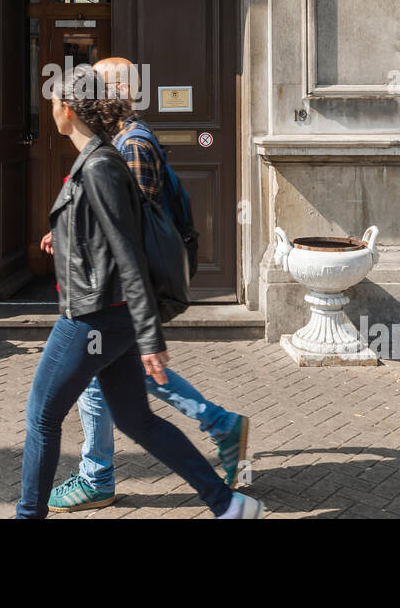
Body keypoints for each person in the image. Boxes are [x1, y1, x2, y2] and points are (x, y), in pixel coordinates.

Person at [16, 64, 263, 519]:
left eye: (52, 103)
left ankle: (28, 514)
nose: (50, 110)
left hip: (93, 317)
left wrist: (150, 336)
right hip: (111, 315)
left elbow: (128, 251)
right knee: (136, 421)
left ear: (66, 109)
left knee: (42, 417)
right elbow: (106, 237)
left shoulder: (101, 163)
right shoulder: (94, 155)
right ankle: (228, 505)